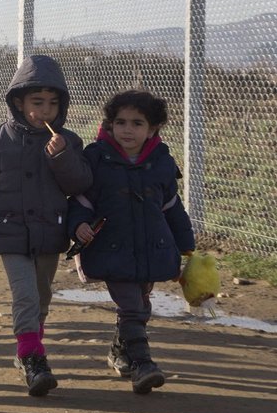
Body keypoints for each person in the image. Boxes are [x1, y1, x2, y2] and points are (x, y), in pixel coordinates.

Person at [0, 55, 92, 397]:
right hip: (11, 234)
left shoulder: (69, 142)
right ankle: (33, 359)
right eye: (37, 103)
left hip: (51, 233)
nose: (45, 111)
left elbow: (80, 186)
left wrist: (61, 157)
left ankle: (28, 347)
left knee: (42, 297)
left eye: (52, 103)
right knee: (26, 295)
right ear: (18, 102)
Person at [67, 89, 195, 394]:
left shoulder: (162, 163)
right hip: (113, 248)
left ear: (153, 129)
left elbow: (172, 208)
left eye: (137, 123)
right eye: (120, 122)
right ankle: (143, 364)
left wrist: (186, 244)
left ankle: (119, 351)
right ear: (110, 125)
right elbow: (81, 201)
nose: (127, 129)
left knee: (141, 304)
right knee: (131, 306)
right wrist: (79, 225)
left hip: (152, 248)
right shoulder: (96, 159)